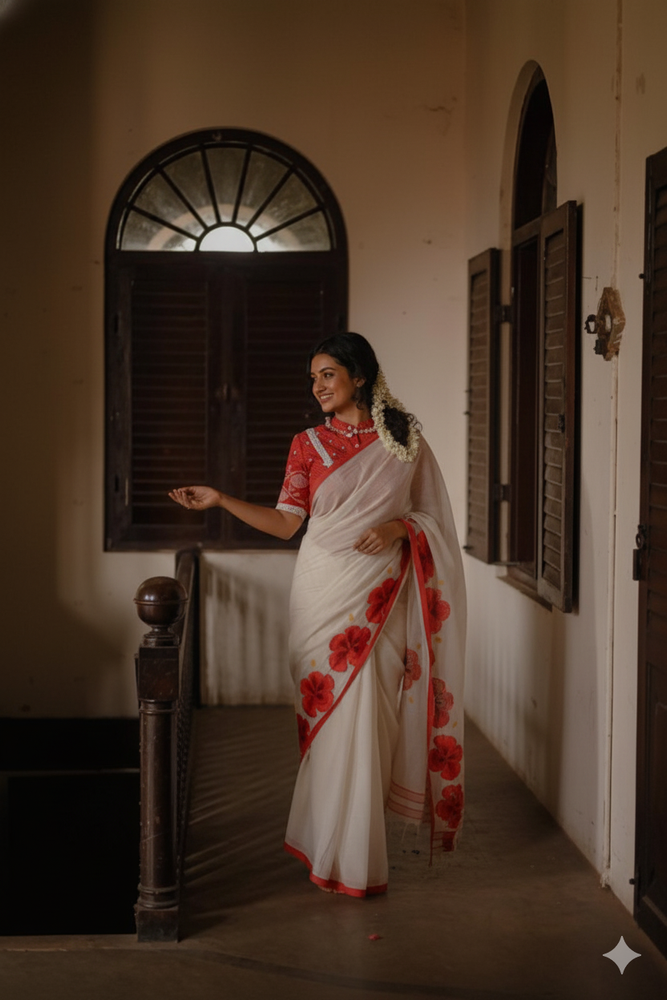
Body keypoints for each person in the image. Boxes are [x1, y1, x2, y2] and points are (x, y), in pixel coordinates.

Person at [169, 332, 466, 898]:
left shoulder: (404, 441)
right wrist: (221, 499)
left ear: (359, 375)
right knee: (331, 724)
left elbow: (434, 520)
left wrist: (397, 528)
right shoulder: (306, 444)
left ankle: (357, 857)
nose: (318, 386)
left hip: (378, 600)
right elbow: (286, 523)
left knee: (370, 720)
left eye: (327, 374)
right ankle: (330, 847)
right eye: (313, 378)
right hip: (321, 597)